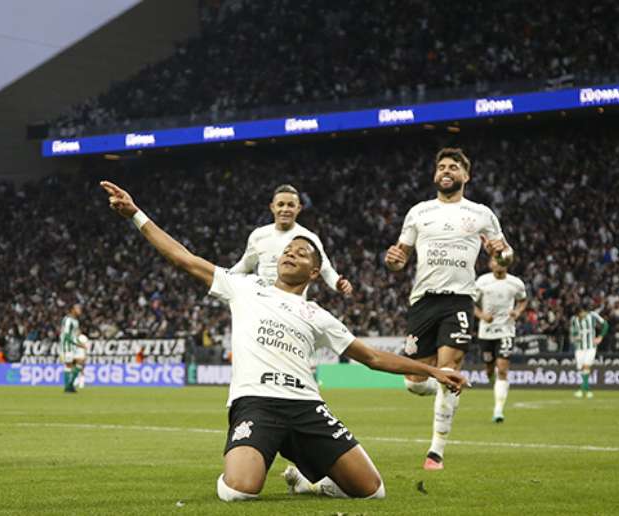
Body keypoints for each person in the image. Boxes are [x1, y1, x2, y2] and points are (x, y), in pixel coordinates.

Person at [100, 180, 467, 502]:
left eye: (301, 253)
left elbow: (370, 356)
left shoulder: (317, 314)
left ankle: (308, 482)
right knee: (240, 490)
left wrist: (432, 371)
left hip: (306, 406)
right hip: (256, 403)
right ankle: (255, 452)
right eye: (288, 250)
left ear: (313, 271)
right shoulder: (243, 286)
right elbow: (184, 258)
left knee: (372, 490)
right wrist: (136, 214)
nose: (290, 252)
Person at [384, 147, 513, 470]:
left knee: (449, 370)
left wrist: (504, 253)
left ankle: (436, 451)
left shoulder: (481, 213)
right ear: (434, 174)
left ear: (465, 176)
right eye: (441, 166)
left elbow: (505, 255)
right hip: (423, 300)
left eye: (453, 167)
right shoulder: (418, 212)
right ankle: (444, 383)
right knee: (414, 381)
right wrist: (394, 262)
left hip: (458, 299)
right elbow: (400, 259)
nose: (446, 170)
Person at [231, 184, 352, 296]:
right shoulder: (258, 235)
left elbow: (325, 269)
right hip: (264, 303)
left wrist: (337, 283)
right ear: (272, 207)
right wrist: (219, 276)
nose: (285, 209)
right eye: (281, 204)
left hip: (293, 305)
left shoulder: (309, 238)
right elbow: (245, 265)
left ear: (298, 208)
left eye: (290, 205)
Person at [474, 258, 528, 422]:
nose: (498, 264)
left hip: (506, 330)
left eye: (501, 261)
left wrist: (517, 312)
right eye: (495, 262)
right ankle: (494, 382)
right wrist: (482, 315)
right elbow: (471, 303)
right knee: (489, 370)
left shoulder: (516, 283)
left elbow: (523, 300)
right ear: (490, 264)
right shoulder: (482, 281)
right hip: (486, 332)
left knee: (503, 369)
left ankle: (498, 410)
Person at [570, 304, 609, 398]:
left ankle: (583, 390)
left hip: (591, 346)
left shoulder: (592, 315)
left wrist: (600, 336)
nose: (581, 315)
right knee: (581, 368)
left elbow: (605, 324)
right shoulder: (574, 320)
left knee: (586, 366)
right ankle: (586, 389)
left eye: (582, 313)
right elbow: (573, 333)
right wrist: (575, 338)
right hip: (579, 347)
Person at [59, 304, 84, 393]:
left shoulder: (76, 321)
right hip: (67, 346)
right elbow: (66, 335)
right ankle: (68, 387)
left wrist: (79, 338)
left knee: (80, 362)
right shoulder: (68, 320)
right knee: (69, 365)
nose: (80, 310)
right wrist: (78, 343)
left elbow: (74, 333)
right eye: (78, 309)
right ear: (72, 309)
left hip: (74, 346)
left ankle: (69, 385)